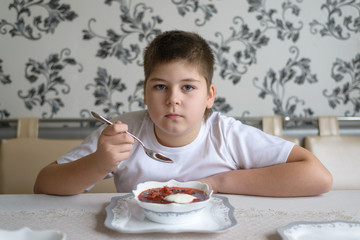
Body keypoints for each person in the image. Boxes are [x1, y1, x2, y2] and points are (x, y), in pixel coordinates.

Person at [34, 30, 332, 196]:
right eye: (160, 86)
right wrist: (99, 162)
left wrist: (218, 182)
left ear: (209, 96)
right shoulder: (125, 132)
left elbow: (317, 177)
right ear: (145, 93)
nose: (173, 100)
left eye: (188, 87)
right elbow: (44, 183)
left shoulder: (225, 134)